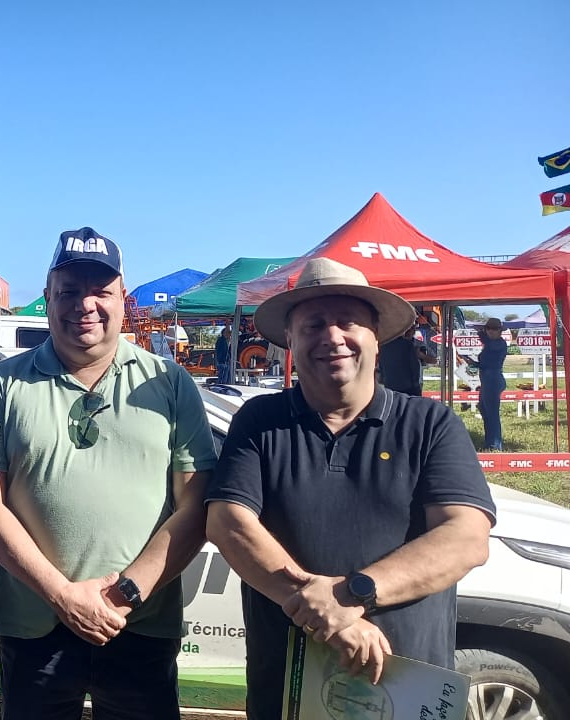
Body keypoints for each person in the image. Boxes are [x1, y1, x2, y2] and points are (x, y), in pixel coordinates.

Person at [205, 258, 496, 720]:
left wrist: (351, 596)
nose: (332, 337)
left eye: (348, 322)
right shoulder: (260, 421)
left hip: (407, 692)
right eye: (314, 325)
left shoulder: (429, 424)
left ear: (375, 338)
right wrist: (321, 613)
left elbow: (465, 538)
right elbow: (228, 522)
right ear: (291, 343)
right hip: (287, 690)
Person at [0, 227, 217, 720]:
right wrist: (62, 595)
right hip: (36, 624)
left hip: (139, 622)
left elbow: (196, 503)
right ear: (48, 299)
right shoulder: (2, 384)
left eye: (100, 291)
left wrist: (124, 594)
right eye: (69, 291)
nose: (85, 305)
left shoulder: (170, 382)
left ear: (123, 298)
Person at [377, 324, 437, 396]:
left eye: (411, 329)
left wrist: (422, 356)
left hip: (392, 387)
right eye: (407, 329)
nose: (408, 332)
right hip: (408, 387)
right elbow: (414, 367)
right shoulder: (407, 345)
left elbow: (434, 360)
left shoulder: (418, 344)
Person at [478, 317, 508, 451]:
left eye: (494, 329)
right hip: (486, 378)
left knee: (492, 413)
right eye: (488, 328)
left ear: (500, 331)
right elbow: (485, 362)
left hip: (493, 379)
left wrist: (483, 335)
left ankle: (495, 445)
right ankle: (490, 442)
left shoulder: (499, 343)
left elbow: (490, 346)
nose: (491, 331)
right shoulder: (490, 343)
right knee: (485, 411)